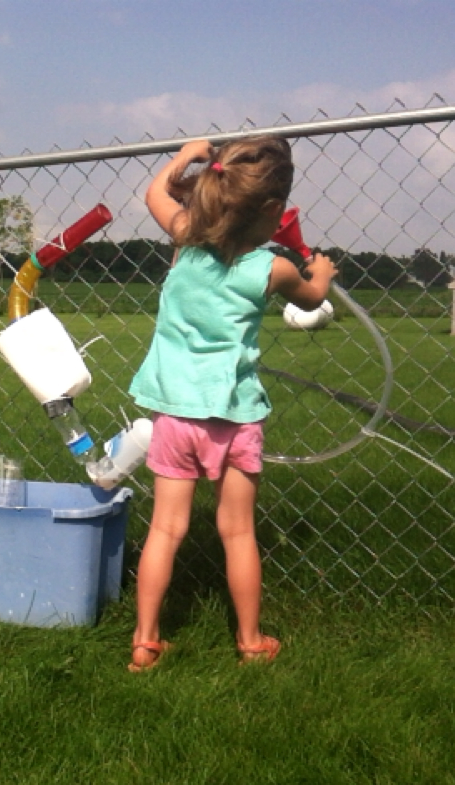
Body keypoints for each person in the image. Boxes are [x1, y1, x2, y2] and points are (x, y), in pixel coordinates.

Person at [127, 136, 336, 670]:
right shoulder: (273, 269)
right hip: (234, 417)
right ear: (272, 209)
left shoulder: (184, 239)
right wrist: (322, 271)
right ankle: (249, 641)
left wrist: (187, 157)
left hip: (174, 414)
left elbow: (154, 193)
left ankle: (145, 642)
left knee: (165, 529)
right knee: (238, 531)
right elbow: (313, 298)